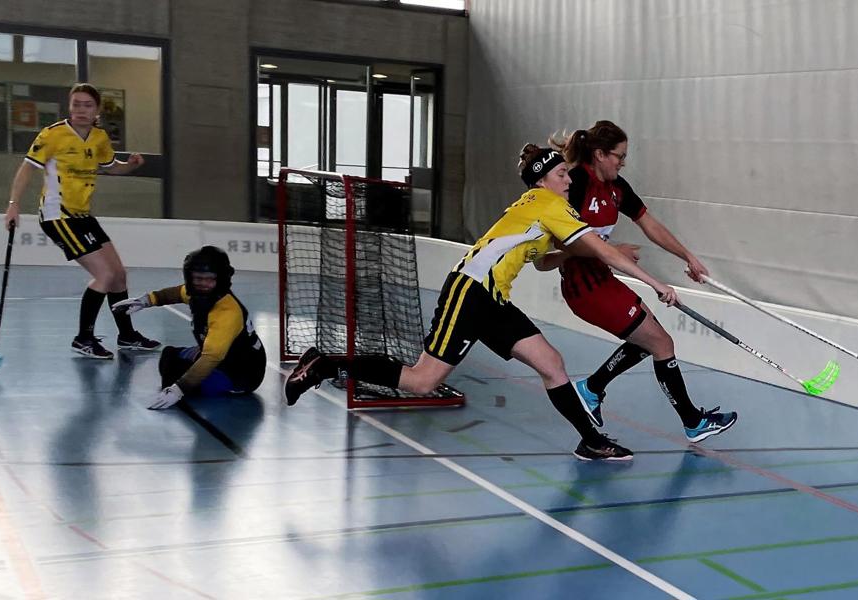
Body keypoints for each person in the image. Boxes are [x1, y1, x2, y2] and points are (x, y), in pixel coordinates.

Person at [285, 144, 681, 462]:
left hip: (493, 299)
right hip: (470, 291)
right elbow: (606, 254)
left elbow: (544, 262)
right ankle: (326, 364)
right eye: (561, 174)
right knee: (424, 381)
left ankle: (591, 441)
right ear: (543, 180)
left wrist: (584, 253)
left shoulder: (537, 207)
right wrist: (656, 284)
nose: (568, 179)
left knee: (552, 363)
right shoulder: (550, 205)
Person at [543, 120, 737, 442]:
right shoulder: (577, 182)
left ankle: (591, 389)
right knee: (660, 343)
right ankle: (692, 422)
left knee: (649, 340)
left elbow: (650, 224)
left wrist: (687, 256)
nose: (622, 162)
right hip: (584, 287)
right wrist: (613, 250)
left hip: (603, 280)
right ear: (600, 154)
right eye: (619, 156)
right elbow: (561, 241)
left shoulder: (617, 187)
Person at [3, 82, 158, 359]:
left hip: (83, 216)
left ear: (97, 109)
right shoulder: (52, 135)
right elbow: (26, 169)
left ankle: (127, 335)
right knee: (104, 275)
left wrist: (131, 165)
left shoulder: (99, 138)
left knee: (119, 274)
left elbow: (112, 169)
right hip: (58, 216)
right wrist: (13, 205)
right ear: (70, 106)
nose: (81, 110)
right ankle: (83, 338)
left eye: (87, 105)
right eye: (76, 104)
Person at [112, 246, 267, 410]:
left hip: (240, 374)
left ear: (220, 279)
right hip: (223, 357)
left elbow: (210, 358)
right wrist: (144, 301)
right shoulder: (197, 294)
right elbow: (175, 293)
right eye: (197, 278)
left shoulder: (227, 313)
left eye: (209, 279)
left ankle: (195, 388)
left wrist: (178, 390)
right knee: (169, 356)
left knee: (179, 374)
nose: (202, 284)